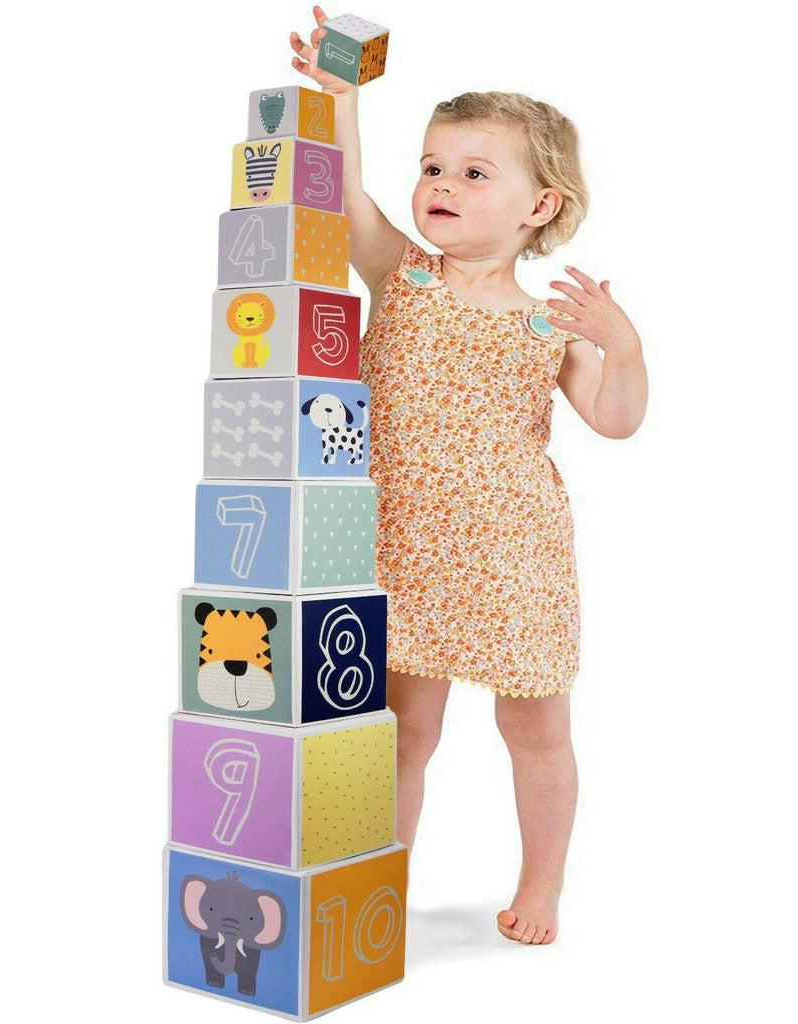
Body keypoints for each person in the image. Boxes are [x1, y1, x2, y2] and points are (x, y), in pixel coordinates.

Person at [290, 7, 648, 946]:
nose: (441, 184)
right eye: (432, 166)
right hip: (401, 548)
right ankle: (378, 884)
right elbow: (346, 195)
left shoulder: (551, 323)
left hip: (513, 557)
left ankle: (543, 886)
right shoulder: (400, 274)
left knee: (537, 732)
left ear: (541, 206)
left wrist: (623, 347)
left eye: (474, 172)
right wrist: (342, 98)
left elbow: (616, 419)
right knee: (402, 733)